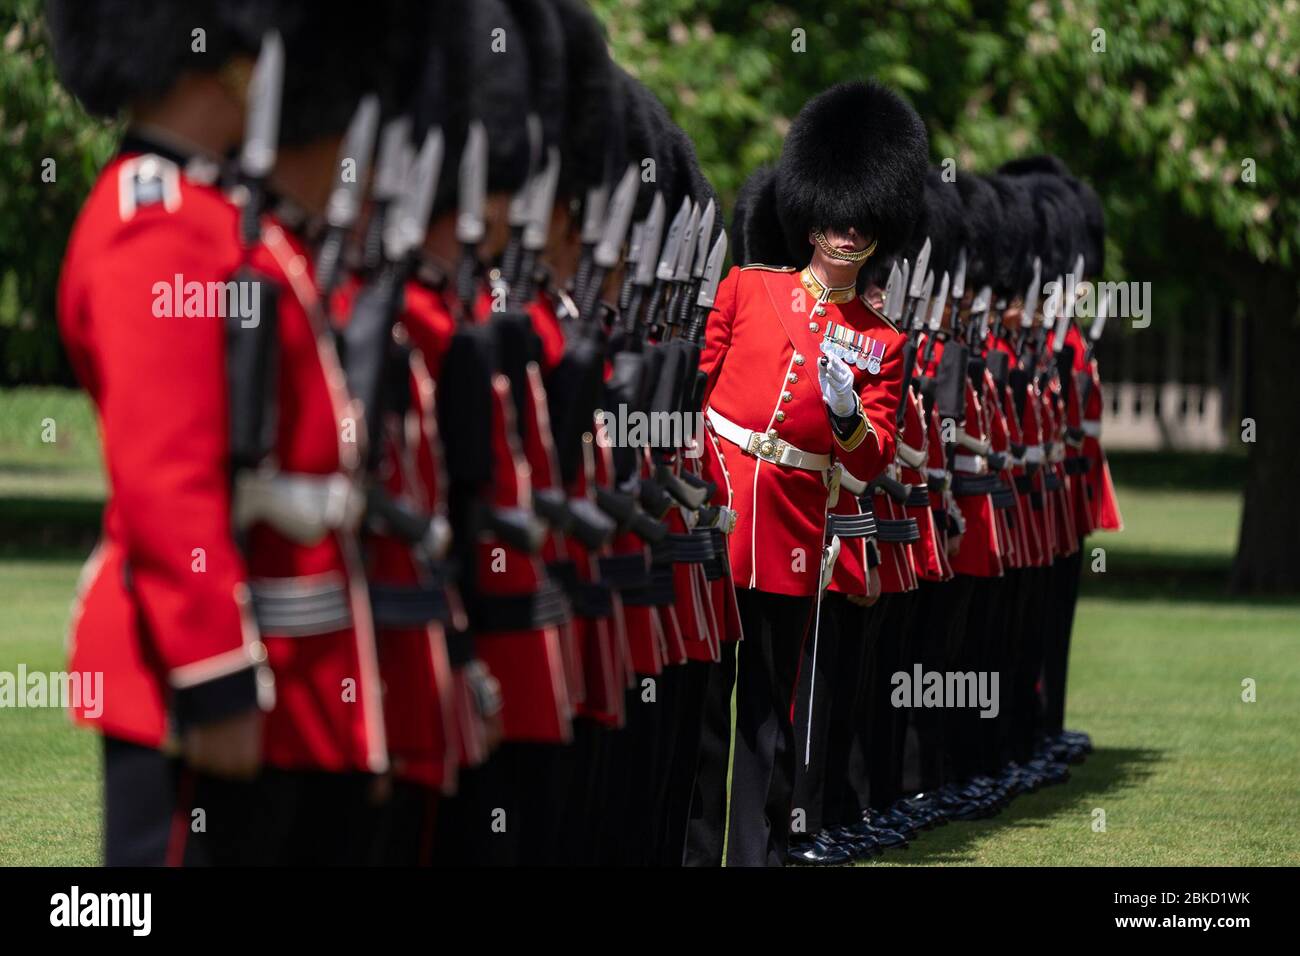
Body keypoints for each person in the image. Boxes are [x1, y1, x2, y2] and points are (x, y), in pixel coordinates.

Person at [50, 0, 419, 865]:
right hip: (194, 675)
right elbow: (164, 477)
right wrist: (213, 678)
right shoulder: (160, 221)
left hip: (291, 661)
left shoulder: (219, 218)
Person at [698, 81, 928, 867]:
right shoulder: (747, 288)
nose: (843, 235)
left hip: (795, 531)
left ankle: (752, 857)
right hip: (723, 509)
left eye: (859, 226)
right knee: (704, 706)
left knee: (768, 713)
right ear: (811, 215)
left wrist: (842, 412)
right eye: (833, 220)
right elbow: (697, 391)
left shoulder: (883, 343)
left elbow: (870, 462)